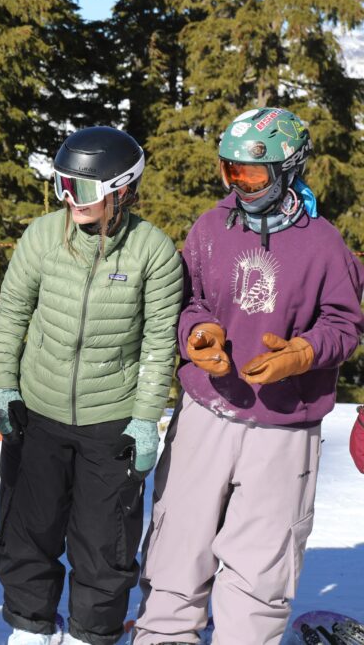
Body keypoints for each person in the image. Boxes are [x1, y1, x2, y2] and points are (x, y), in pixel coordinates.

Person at [133, 108, 364, 645]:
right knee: (176, 549)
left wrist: (303, 354)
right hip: (206, 413)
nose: (240, 185)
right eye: (230, 171)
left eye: (253, 175)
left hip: (284, 427)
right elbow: (187, 300)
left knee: (261, 568)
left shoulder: (324, 244)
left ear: (288, 170)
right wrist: (197, 334)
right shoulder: (210, 227)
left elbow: (344, 324)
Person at [0, 127, 184, 645]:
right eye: (63, 185)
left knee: (104, 543)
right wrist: (4, 385)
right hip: (39, 411)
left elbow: (159, 343)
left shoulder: (153, 252)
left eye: (84, 188)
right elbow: (12, 314)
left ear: (122, 189)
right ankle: (29, 627)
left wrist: (145, 419)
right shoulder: (42, 237)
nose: (71, 199)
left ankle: (89, 634)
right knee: (28, 531)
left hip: (111, 422)